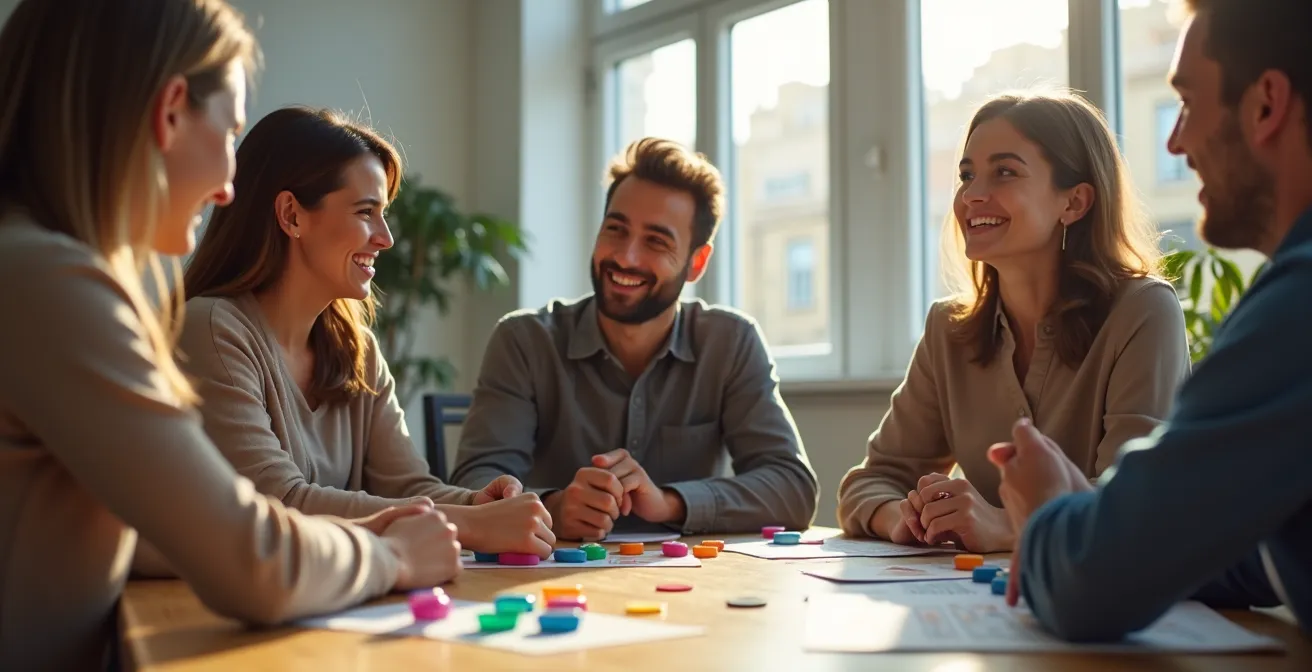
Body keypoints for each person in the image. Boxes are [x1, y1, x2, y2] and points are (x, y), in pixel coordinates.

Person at [0, 2, 461, 668]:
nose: (226, 188)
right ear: (171, 111)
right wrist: (389, 553)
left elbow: (163, 533)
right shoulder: (48, 282)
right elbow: (253, 561)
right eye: (229, 133)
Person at [990, 0, 1312, 640]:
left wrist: (1050, 511)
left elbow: (1093, 585)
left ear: (1266, 105)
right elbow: (1242, 544)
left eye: (1188, 103)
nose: (1176, 140)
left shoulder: (1298, 305)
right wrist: (1115, 523)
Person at [180, 106, 555, 558]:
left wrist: (480, 503)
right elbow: (277, 503)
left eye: (384, 214)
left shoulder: (357, 350)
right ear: (291, 215)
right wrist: (473, 525)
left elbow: (409, 485)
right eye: (365, 212)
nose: (386, 238)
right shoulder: (213, 329)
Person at [836, 90, 1191, 553]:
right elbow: (870, 482)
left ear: (1075, 202)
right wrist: (905, 519)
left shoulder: (1143, 312)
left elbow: (1137, 508)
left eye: (1004, 172)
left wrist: (1006, 527)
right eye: (967, 175)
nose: (972, 195)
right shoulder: (949, 328)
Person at [450, 138, 819, 541]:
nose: (625, 257)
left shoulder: (731, 342)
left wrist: (670, 502)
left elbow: (793, 488)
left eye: (656, 241)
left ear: (696, 262)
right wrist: (553, 506)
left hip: (689, 585)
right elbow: (473, 484)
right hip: (549, 581)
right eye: (616, 229)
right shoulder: (524, 341)